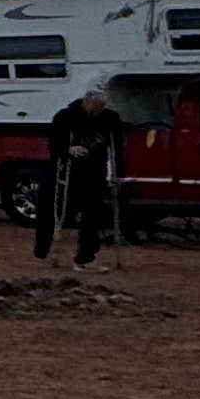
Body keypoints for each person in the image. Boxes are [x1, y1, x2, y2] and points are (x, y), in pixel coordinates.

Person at [34, 87, 125, 267]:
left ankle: (86, 256)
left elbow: (118, 147)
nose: (99, 109)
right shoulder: (65, 116)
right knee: (54, 211)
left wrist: (119, 174)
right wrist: (68, 149)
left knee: (93, 215)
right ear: (86, 100)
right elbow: (53, 143)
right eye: (96, 105)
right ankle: (43, 249)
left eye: (102, 106)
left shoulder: (111, 118)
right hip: (64, 172)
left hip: (94, 173)